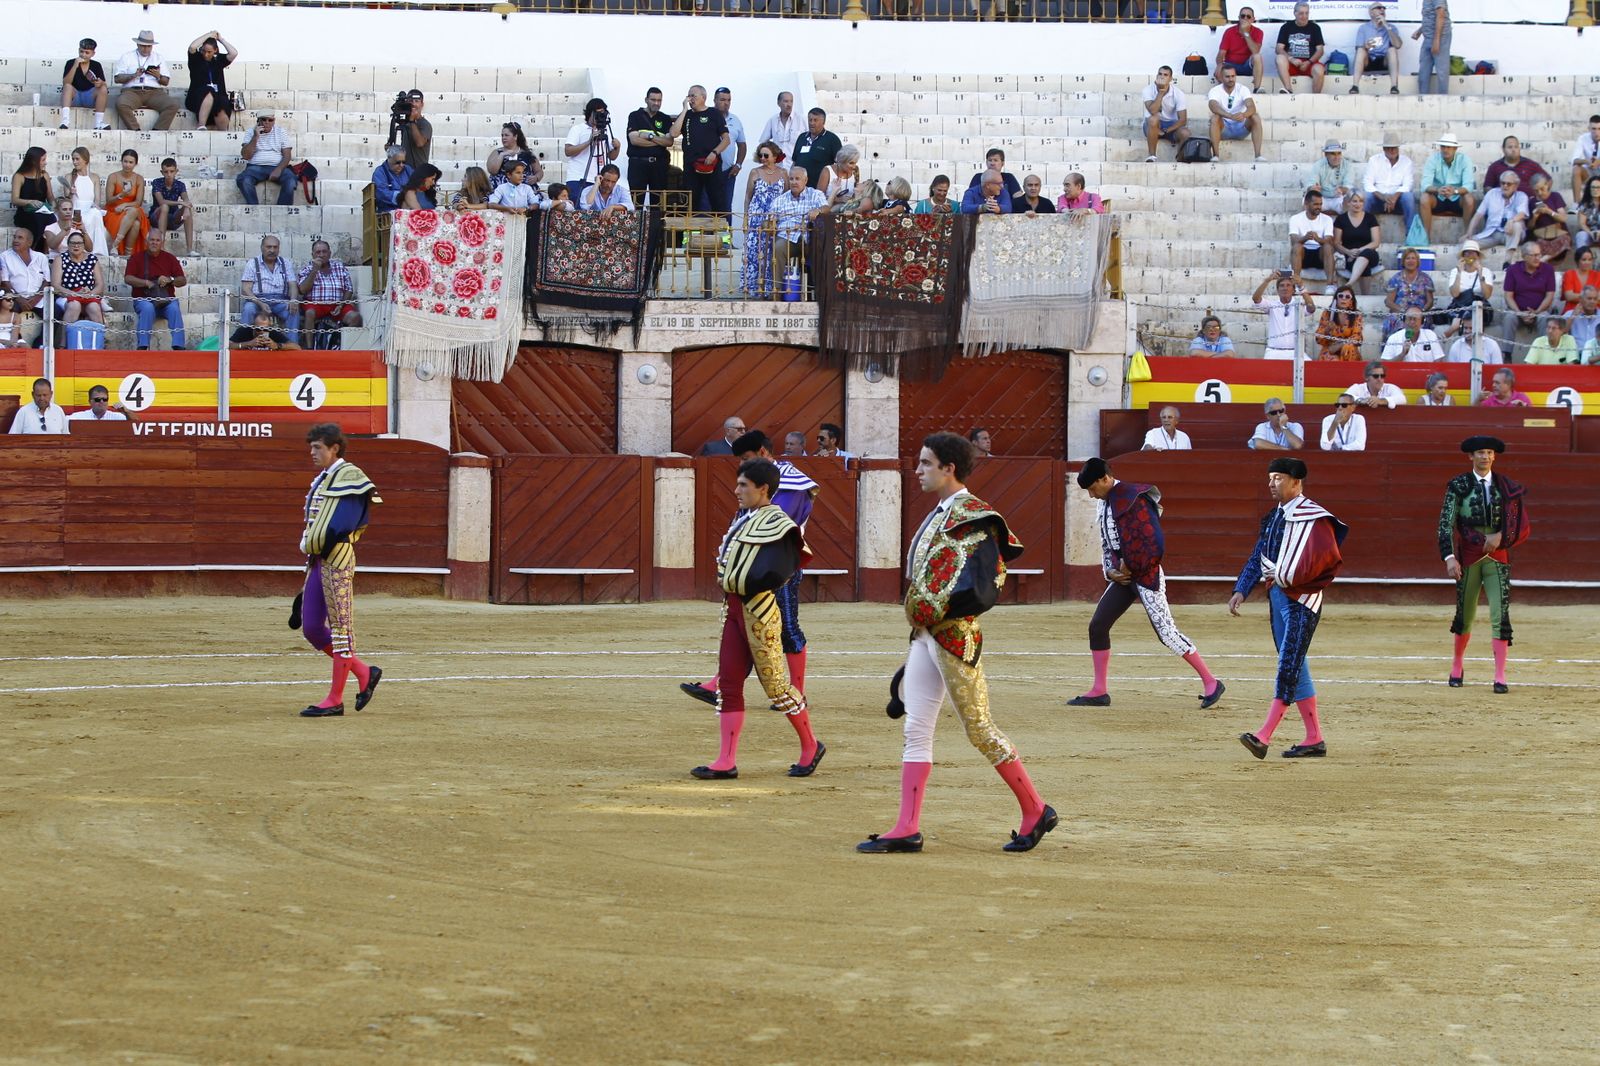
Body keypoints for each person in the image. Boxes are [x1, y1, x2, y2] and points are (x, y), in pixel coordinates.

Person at [858, 433, 1053, 856]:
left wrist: (938, 612)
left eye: (926, 463)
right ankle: (907, 827)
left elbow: (984, 586)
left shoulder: (975, 516)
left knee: (979, 728)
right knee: (916, 727)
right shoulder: (945, 513)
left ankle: (1036, 809)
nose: (918, 470)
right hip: (926, 633)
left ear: (949, 468)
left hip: (954, 635)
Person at [689, 458, 821, 782]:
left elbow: (785, 567)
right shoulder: (746, 518)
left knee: (777, 687)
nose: (736, 490)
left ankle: (811, 745)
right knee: (729, 684)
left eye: (743, 485)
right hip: (734, 609)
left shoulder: (779, 523)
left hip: (759, 611)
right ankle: (726, 761)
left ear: (763, 489)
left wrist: (752, 582)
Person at [681, 431, 823, 713]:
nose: (743, 465)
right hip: (753, 566)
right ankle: (720, 685)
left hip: (778, 566)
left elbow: (777, 525)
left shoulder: (791, 482)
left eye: (746, 458)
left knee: (788, 628)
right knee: (742, 625)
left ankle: (798, 693)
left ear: (762, 452)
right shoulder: (759, 482)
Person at [1070, 457, 1225, 709]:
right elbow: (1107, 542)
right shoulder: (1104, 503)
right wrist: (1111, 571)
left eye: (1092, 488)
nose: (1091, 495)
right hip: (1123, 578)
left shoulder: (1135, 498)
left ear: (1105, 479)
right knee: (1098, 626)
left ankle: (1211, 682)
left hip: (1145, 575)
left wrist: (1130, 565)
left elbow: (1154, 543)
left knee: (1166, 632)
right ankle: (1099, 690)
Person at [1231, 457, 1348, 760]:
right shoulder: (1273, 517)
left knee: (1288, 664)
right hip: (1277, 597)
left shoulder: (1314, 517)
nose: (1272, 483)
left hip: (1302, 600)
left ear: (1296, 482)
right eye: (1270, 477)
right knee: (1296, 664)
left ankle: (1263, 735)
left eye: (1279, 478)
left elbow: (1326, 560)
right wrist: (1241, 588)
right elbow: (1258, 555)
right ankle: (1314, 738)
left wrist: (1287, 576)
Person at [296, 423, 383, 718]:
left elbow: (342, 524)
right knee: (311, 627)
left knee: (341, 630)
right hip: (318, 559)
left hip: (337, 558)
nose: (312, 452)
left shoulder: (350, 477)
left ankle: (335, 699)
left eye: (317, 447)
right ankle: (363, 671)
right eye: (311, 447)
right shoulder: (326, 477)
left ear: (335, 448)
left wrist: (316, 542)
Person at [1438, 435, 1530, 692]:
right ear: (1471, 456)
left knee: (1500, 615)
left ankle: (1500, 676)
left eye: (1489, 452)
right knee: (1465, 615)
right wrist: (1449, 557)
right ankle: (1457, 665)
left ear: (1494, 456)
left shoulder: (1506, 486)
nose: (1485, 457)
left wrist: (1500, 536)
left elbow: (1517, 524)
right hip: (1469, 558)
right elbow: (1445, 524)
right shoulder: (1458, 485)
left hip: (1498, 558)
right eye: (1480, 452)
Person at [767, 166, 827, 297]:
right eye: (791, 179)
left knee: (821, 249)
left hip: (810, 237)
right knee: (778, 248)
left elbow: (826, 208)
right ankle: (776, 291)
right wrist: (771, 224)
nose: (794, 182)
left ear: (805, 180)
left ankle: (820, 293)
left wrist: (818, 210)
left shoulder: (815, 194)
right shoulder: (780, 200)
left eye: (797, 179)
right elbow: (770, 220)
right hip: (787, 237)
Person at [670, 86, 728, 214]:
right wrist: (684, 110)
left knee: (717, 200)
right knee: (691, 202)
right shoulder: (687, 115)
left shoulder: (714, 113)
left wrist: (714, 153)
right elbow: (673, 133)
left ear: (703, 97)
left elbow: (726, 139)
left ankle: (720, 226)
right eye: (688, 96)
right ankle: (690, 227)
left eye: (693, 96)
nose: (690, 99)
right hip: (691, 165)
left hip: (711, 164)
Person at [126, 228, 186, 350]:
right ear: (146, 241)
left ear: (162, 243)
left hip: (165, 300)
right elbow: (128, 278)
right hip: (144, 299)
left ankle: (179, 346)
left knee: (174, 308)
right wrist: (145, 283)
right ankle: (143, 346)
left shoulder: (170, 258)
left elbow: (182, 280)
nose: (154, 243)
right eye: (152, 240)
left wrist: (169, 280)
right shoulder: (136, 258)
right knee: (147, 308)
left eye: (158, 240)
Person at [740, 141, 787, 298]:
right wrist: (746, 218)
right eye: (760, 155)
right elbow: (748, 197)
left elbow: (787, 196)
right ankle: (754, 289)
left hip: (776, 220)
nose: (763, 158)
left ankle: (771, 289)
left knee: (771, 254)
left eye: (766, 155)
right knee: (754, 254)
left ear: (775, 156)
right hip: (756, 219)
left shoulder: (783, 173)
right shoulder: (755, 172)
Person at [297, 240, 362, 344]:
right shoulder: (307, 269)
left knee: (356, 317)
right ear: (312, 255)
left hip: (338, 305)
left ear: (330, 253)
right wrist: (314, 270)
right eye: (318, 252)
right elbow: (302, 290)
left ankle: (342, 344)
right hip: (315, 305)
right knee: (309, 313)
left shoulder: (339, 267)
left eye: (324, 251)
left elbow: (349, 289)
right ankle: (309, 348)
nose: (321, 255)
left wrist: (341, 305)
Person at [113, 30, 179, 131]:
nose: (146, 49)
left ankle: (157, 131)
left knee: (173, 105)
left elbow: (166, 82)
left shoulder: (158, 57)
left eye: (149, 46)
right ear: (137, 44)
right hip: (132, 91)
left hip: (154, 92)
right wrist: (133, 75)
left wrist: (158, 76)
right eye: (143, 46)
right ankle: (136, 130)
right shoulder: (127, 56)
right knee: (121, 104)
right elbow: (117, 78)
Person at [1496, 243, 1555, 356]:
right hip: (1517, 311)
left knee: (1544, 318)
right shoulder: (1513, 270)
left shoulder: (1548, 269)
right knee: (1509, 317)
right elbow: (1508, 296)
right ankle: (1507, 355)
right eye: (1533, 255)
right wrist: (1520, 313)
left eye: (1539, 255)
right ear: (1524, 256)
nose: (1537, 258)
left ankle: (1545, 355)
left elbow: (1550, 295)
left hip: (1540, 310)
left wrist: (1536, 312)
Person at [1421, 135, 1476, 243]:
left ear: (1455, 149)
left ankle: (1468, 235)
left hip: (1457, 198)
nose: (1445, 150)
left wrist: (1454, 191)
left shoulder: (1464, 160)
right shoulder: (1433, 159)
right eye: (1443, 147)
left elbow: (1469, 186)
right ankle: (1426, 237)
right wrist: (1438, 190)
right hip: (1438, 197)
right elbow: (1425, 185)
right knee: (1424, 198)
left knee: (1469, 199)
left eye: (1448, 147)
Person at [564, 96, 620, 204]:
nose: (600, 116)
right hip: (579, 178)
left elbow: (611, 156)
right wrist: (589, 142)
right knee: (578, 208)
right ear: (590, 113)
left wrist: (617, 147)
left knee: (596, 210)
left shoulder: (605, 130)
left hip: (599, 180)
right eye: (597, 113)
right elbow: (568, 151)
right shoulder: (578, 129)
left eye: (602, 113)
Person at [57, 147, 110, 257]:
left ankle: (97, 250)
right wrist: (71, 193)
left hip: (90, 209)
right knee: (88, 217)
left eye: (77, 159)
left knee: (96, 214)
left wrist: (95, 207)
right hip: (75, 209)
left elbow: (97, 200)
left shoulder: (94, 177)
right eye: (73, 159)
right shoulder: (69, 177)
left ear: (85, 160)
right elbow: (67, 200)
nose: (74, 162)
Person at [1252, 271, 1315, 360]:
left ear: (1293, 290)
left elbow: (1311, 308)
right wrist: (1267, 280)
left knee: (1311, 367)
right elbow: (1256, 298)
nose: (1285, 288)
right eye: (1282, 286)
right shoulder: (1271, 305)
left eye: (1288, 285)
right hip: (1274, 351)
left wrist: (1301, 286)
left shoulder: (1299, 305)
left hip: (1296, 352)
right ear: (1277, 291)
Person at [237, 110, 295, 207]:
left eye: (270, 120)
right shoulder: (250, 132)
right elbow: (246, 156)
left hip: (276, 166)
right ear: (258, 121)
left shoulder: (281, 131)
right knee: (243, 180)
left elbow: (287, 155)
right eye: (263, 119)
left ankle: (282, 210)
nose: (267, 122)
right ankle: (254, 208)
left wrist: (279, 169)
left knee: (291, 180)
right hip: (255, 167)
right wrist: (255, 137)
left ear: (274, 121)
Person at [241, 235, 297, 335]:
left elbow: (292, 285)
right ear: (262, 248)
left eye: (275, 247)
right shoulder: (253, 263)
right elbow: (246, 289)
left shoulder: (286, 263)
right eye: (269, 247)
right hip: (257, 300)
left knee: (293, 310)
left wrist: (293, 300)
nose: (272, 250)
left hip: (280, 301)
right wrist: (260, 303)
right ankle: (244, 340)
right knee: (248, 309)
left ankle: (292, 343)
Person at [1364, 131, 1418, 233]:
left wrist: (1394, 198)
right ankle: (1363, 233)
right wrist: (1383, 197)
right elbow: (1368, 184)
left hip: (1397, 200)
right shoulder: (1374, 160)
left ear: (1398, 148)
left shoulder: (1406, 162)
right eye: (1389, 148)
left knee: (1408, 197)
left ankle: (1410, 235)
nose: (1392, 150)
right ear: (1384, 149)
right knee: (1366, 197)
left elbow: (1408, 185)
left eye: (1394, 147)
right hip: (1378, 199)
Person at [0, 228, 49, 342]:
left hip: (38, 298)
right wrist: (19, 299)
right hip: (16, 298)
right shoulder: (5, 256)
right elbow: (6, 282)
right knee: (6, 310)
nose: (15, 240)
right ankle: (14, 341)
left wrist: (35, 299)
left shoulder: (41, 257)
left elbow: (47, 281)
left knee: (56, 312)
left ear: (29, 243)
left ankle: (40, 344)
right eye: (14, 237)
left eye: (20, 238)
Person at [1467, 171, 1530, 257]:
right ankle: (1474, 264)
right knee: (1468, 244)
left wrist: (1511, 221)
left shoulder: (1521, 196)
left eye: (1509, 184)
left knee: (1517, 224)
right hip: (1492, 233)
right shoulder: (1492, 194)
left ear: (1516, 186)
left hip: (1511, 233)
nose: (1505, 186)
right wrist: (1469, 233)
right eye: (1503, 183)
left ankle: (1508, 259)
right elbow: (1478, 215)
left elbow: (1522, 213)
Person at [1207, 67, 1263, 162]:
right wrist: (1230, 116)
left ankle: (1258, 155)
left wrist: (1244, 115)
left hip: (1241, 127)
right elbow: (1213, 106)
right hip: (1224, 128)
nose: (1231, 79)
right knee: (1214, 118)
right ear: (1221, 77)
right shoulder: (1215, 90)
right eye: (1227, 76)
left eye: (1233, 76)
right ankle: (1216, 155)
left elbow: (1252, 107)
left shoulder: (1242, 89)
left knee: (1255, 117)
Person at [185, 31, 237, 131]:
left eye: (209, 52)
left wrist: (220, 39)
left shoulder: (218, 60)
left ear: (215, 51)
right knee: (209, 91)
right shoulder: (196, 59)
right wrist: (208, 35)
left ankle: (223, 132)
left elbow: (234, 53)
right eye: (204, 51)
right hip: (198, 98)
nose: (206, 54)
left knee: (222, 101)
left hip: (217, 98)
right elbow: (192, 47)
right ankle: (201, 125)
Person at [624, 90, 671, 199]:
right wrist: (660, 142)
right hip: (638, 164)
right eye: (653, 100)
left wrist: (650, 137)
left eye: (659, 100)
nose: (656, 103)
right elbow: (634, 140)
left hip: (659, 165)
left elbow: (669, 142)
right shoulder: (635, 115)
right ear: (646, 100)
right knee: (636, 201)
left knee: (658, 202)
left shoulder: (665, 118)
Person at [50, 231, 104, 328]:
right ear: (68, 245)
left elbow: (100, 284)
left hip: (88, 296)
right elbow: (55, 285)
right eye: (73, 243)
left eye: (79, 243)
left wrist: (90, 294)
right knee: (74, 305)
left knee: (94, 308)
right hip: (66, 296)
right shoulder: (60, 259)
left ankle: (98, 337)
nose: (76, 246)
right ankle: (64, 337)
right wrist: (74, 294)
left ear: (84, 245)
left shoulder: (92, 259)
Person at [1274, 2, 1327, 96]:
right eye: (1301, 13)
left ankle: (1316, 98)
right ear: (1295, 13)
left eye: (1307, 13)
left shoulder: (1315, 28)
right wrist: (1291, 59)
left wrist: (1309, 62)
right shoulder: (1286, 27)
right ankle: (1289, 90)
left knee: (1319, 69)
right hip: (1291, 63)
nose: (1304, 16)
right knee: (1279, 58)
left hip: (1309, 63)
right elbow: (1279, 49)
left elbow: (1320, 50)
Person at [104, 149, 149, 257]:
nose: (127, 165)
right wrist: (121, 195)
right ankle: (127, 253)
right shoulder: (113, 177)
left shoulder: (138, 178)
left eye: (130, 162)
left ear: (135, 163)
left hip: (131, 208)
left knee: (134, 211)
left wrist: (125, 205)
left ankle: (116, 245)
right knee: (136, 223)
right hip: (114, 210)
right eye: (125, 161)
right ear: (121, 161)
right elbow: (109, 200)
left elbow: (138, 202)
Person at [1332, 193, 1381, 291]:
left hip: (1369, 253)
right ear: (1348, 202)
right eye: (1354, 201)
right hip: (1350, 256)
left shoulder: (1370, 218)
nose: (1358, 204)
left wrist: (1359, 250)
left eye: (1361, 201)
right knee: (1365, 267)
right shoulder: (1341, 219)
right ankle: (1366, 297)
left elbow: (1376, 242)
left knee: (1366, 253)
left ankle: (1349, 284)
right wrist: (1348, 252)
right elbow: (1336, 243)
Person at [59, 38, 111, 131]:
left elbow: (104, 84)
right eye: (81, 51)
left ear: (93, 54)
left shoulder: (96, 65)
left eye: (87, 53)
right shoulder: (70, 63)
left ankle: (98, 123)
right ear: (78, 50)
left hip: (89, 97)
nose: (83, 55)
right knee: (67, 87)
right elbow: (66, 82)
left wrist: (100, 83)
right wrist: (75, 66)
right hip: (74, 97)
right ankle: (65, 121)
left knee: (103, 88)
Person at [12, 148, 58, 253]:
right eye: (43, 160)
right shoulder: (19, 176)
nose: (45, 163)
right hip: (26, 212)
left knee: (52, 218)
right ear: (34, 161)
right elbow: (14, 199)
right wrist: (30, 202)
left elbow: (50, 197)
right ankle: (35, 251)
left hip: (43, 211)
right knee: (38, 219)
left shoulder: (45, 175)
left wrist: (54, 205)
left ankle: (47, 251)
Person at [1350, 3, 1402, 94]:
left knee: (1392, 50)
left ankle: (1394, 86)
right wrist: (1366, 46)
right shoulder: (1363, 28)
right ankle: (1355, 86)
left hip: (1384, 60)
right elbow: (1358, 48)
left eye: (1383, 8)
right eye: (1378, 8)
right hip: (1369, 59)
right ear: (1371, 13)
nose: (1382, 10)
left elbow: (1398, 45)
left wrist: (1386, 26)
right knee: (1361, 50)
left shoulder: (1391, 27)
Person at [1141, 66, 1191, 163]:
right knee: (1154, 119)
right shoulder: (1147, 90)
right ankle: (1152, 156)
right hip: (1152, 126)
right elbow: (1153, 111)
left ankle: (1180, 158)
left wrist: (1166, 130)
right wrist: (1161, 92)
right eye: (1160, 74)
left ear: (1170, 78)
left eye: (1165, 75)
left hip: (1171, 126)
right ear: (1156, 76)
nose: (1162, 77)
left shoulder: (1178, 93)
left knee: (1186, 133)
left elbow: (1183, 120)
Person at [1383, 248, 1434, 335]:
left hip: (1420, 313)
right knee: (1398, 324)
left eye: (1413, 258)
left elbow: (1430, 301)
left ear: (1417, 261)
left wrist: (1421, 311)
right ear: (1403, 261)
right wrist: (1403, 311)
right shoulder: (1395, 278)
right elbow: (1389, 302)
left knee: (1422, 323)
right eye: (1408, 258)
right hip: (1400, 313)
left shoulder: (1426, 278)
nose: (1411, 261)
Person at [1445, 240, 1495, 330]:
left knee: (1475, 310)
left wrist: (1480, 274)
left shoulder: (1486, 271)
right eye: (1467, 253)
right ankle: (1459, 323)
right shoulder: (1455, 271)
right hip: (1460, 305)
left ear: (1478, 256)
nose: (1470, 255)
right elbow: (1455, 294)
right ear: (1463, 256)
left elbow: (1487, 295)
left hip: (1479, 306)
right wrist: (1459, 273)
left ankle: (1455, 326)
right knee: (1465, 311)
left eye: (1473, 253)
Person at [1289, 188, 1335, 287]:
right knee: (1297, 247)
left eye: (1320, 204)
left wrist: (1318, 239)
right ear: (1306, 204)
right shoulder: (1295, 219)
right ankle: (1296, 285)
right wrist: (1305, 238)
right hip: (1303, 255)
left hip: (1320, 255)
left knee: (1328, 247)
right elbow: (1293, 241)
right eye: (1315, 204)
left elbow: (1329, 241)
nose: (1319, 207)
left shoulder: (1327, 219)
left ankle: (1330, 286)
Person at [713, 87, 747, 217]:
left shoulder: (735, 120)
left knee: (726, 208)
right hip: (708, 171)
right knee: (706, 208)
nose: (726, 103)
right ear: (715, 100)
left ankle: (726, 231)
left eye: (728, 100)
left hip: (727, 172)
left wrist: (738, 164)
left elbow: (742, 145)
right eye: (722, 100)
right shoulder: (708, 116)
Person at [149, 158, 194, 256]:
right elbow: (161, 201)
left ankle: (190, 249)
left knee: (188, 210)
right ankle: (161, 247)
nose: (169, 174)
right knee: (164, 207)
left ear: (176, 171)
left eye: (172, 171)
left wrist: (186, 208)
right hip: (156, 219)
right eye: (166, 172)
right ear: (162, 172)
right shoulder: (157, 182)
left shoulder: (180, 185)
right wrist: (181, 203)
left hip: (173, 219)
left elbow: (186, 200)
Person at [1215, 6, 1265, 92]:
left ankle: (1256, 89)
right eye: (1243, 16)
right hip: (1231, 65)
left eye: (1248, 16)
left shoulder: (1258, 32)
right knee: (1221, 67)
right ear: (1239, 18)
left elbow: (1255, 51)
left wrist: (1245, 33)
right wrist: (1219, 65)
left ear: (1253, 19)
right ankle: (1224, 92)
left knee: (1257, 56)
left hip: (1248, 66)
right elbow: (1221, 53)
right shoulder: (1229, 31)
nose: (1245, 18)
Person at [792, 108, 841, 191]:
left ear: (823, 122)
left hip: (818, 189)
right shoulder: (801, 137)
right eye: (810, 120)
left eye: (815, 120)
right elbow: (794, 162)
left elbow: (839, 164)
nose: (812, 123)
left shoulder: (832, 139)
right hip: (799, 188)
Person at [1483, 136, 1549, 197]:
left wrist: (1540, 196)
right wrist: (1497, 200)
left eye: (1516, 147)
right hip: (1502, 204)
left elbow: (1548, 180)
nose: (1513, 150)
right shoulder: (1495, 167)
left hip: (1528, 203)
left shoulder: (1530, 165)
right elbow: (1487, 187)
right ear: (1503, 149)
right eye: (1510, 147)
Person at [486, 122, 540, 194]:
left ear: (515, 137)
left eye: (506, 135)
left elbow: (539, 171)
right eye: (502, 135)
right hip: (501, 192)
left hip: (524, 191)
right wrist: (502, 155)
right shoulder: (497, 152)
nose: (503, 138)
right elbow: (492, 171)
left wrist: (536, 177)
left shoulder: (527, 153)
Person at [1527, 174, 1571, 263]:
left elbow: (1563, 218)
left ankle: (1544, 259)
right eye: (1536, 191)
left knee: (1565, 239)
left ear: (1547, 185)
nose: (1539, 193)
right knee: (1534, 244)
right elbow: (1529, 227)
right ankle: (1545, 259)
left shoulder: (1555, 196)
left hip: (1558, 236)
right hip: (1542, 238)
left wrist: (1549, 211)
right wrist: (1534, 217)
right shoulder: (1532, 201)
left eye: (1542, 189)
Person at [1316, 284, 1365, 361]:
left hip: (1348, 349)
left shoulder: (1356, 314)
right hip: (1331, 349)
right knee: (1331, 358)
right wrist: (1327, 330)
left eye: (1347, 297)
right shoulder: (1327, 313)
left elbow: (1357, 337)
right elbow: (1318, 339)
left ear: (1351, 301)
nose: (1343, 299)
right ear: (1336, 299)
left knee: (1348, 348)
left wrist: (1341, 345)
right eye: (1341, 296)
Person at [1412, 0, 1451, 95]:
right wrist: (1420, 30)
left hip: (1440, 38)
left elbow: (1441, 14)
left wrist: (1437, 41)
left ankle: (1443, 100)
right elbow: (1430, 16)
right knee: (1423, 72)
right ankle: (1423, 99)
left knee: (1442, 72)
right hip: (1428, 38)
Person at [1381, 307, 1446, 362]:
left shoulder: (1430, 335)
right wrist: (1402, 354)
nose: (1412, 322)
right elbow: (1385, 364)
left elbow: (1439, 359)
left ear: (1422, 322)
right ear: (1404, 320)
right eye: (1409, 319)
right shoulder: (1394, 338)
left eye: (1415, 319)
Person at [1311, 141, 1356, 218]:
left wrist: (1342, 189)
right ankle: (1312, 223)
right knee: (1307, 200)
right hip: (1322, 198)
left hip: (1339, 198)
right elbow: (1311, 183)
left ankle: (1345, 224)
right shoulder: (1318, 165)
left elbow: (1348, 186)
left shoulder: (1347, 166)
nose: (1336, 157)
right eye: (1333, 154)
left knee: (1351, 200)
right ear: (1326, 154)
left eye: (1339, 153)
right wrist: (1313, 188)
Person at [758, 92, 803, 164]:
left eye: (791, 101)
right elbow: (763, 142)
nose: (789, 105)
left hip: (797, 166)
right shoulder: (773, 120)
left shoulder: (801, 119)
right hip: (778, 167)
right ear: (778, 103)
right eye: (786, 101)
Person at [230, 308, 301, 351]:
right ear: (253, 326)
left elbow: (297, 347)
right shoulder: (243, 331)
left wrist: (277, 345)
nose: (262, 332)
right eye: (258, 329)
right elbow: (228, 346)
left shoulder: (273, 332)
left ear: (269, 327)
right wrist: (247, 344)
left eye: (265, 329)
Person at [396, 90, 432, 173]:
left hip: (419, 172)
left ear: (422, 104)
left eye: (416, 101)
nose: (413, 104)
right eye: (410, 101)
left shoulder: (425, 124)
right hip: (404, 171)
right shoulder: (406, 124)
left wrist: (412, 121)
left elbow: (420, 143)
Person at [371, 147, 411, 215]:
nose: (401, 165)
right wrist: (402, 197)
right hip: (387, 213)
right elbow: (381, 194)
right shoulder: (380, 172)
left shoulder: (408, 169)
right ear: (389, 159)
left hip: (408, 210)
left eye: (403, 162)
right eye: (398, 162)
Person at [1572, 114, 1600, 205]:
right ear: (1589, 128)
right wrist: (1587, 161)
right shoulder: (1583, 138)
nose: (1596, 132)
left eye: (1599, 129)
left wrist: (1598, 161)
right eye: (1594, 129)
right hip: (1589, 175)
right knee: (1576, 169)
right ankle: (1577, 204)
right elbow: (1574, 160)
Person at [1575, 176, 1600, 253]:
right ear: (1589, 189)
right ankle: (1583, 257)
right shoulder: (1585, 204)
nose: (1595, 190)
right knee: (1581, 236)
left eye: (1598, 187)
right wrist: (1590, 233)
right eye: (1593, 187)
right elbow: (1582, 224)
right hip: (1589, 232)